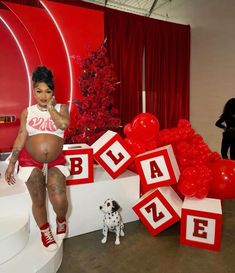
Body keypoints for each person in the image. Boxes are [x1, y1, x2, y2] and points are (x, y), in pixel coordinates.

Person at [5, 66, 70, 251]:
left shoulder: (61, 108)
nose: (43, 96)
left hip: (55, 161)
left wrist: (51, 108)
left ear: (53, 92)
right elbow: (21, 136)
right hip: (29, 160)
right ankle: (44, 231)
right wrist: (12, 163)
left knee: (59, 200)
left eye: (47, 91)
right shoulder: (28, 112)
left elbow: (64, 124)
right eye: (38, 91)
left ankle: (60, 219)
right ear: (33, 90)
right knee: (38, 200)